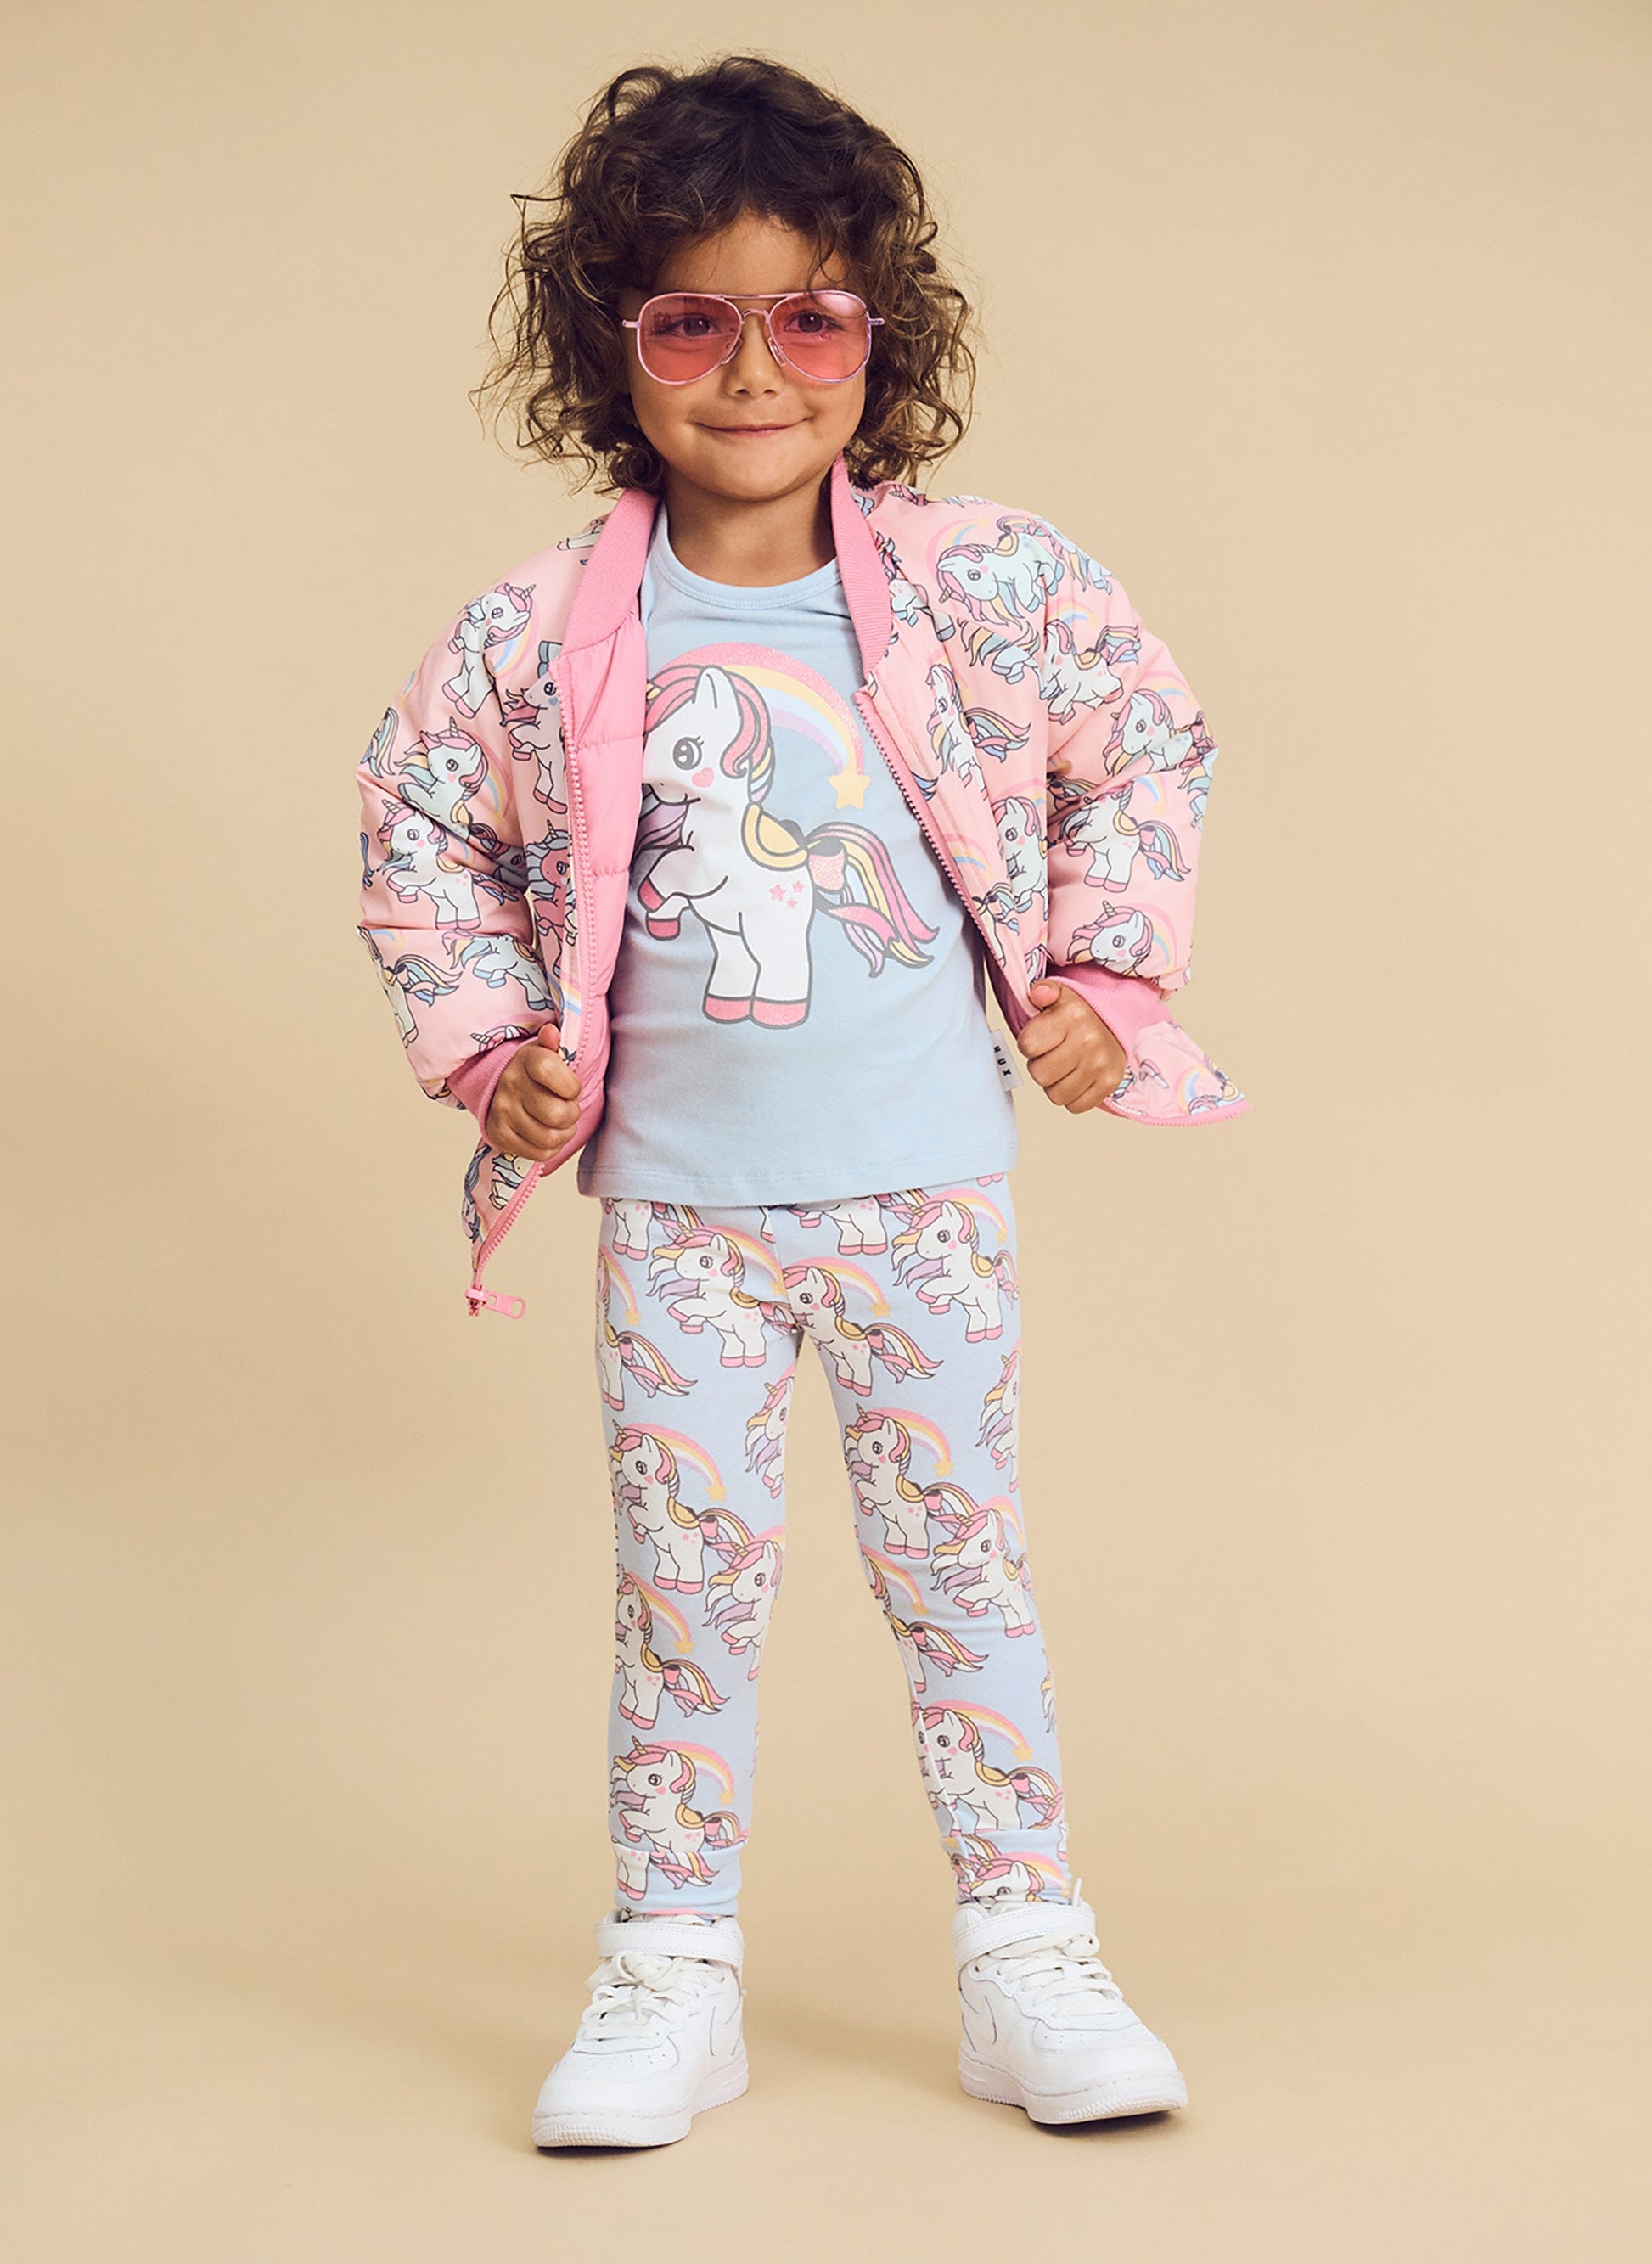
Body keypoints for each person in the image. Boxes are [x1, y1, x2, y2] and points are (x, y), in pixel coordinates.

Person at [355, 54, 1245, 2150]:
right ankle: (672, 1964)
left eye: (809, 318)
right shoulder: (535, 632)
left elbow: (1142, 741)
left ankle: (1025, 1946)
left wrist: (1103, 982)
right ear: (614, 342)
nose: (753, 370)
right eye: (693, 318)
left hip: (922, 1194)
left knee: (963, 1576)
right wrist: (493, 1050)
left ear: (876, 337)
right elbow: (418, 830)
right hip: (678, 1214)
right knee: (686, 1597)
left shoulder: (987, 583)